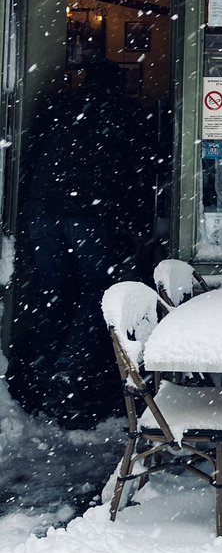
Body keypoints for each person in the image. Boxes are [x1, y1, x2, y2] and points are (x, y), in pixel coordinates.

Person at [7, 59, 158, 427]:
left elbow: (31, 155)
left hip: (42, 208)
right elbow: (136, 169)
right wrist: (136, 223)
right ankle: (67, 370)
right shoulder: (125, 113)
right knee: (98, 291)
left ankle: (42, 375)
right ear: (119, 84)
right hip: (88, 211)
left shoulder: (61, 106)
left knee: (51, 289)